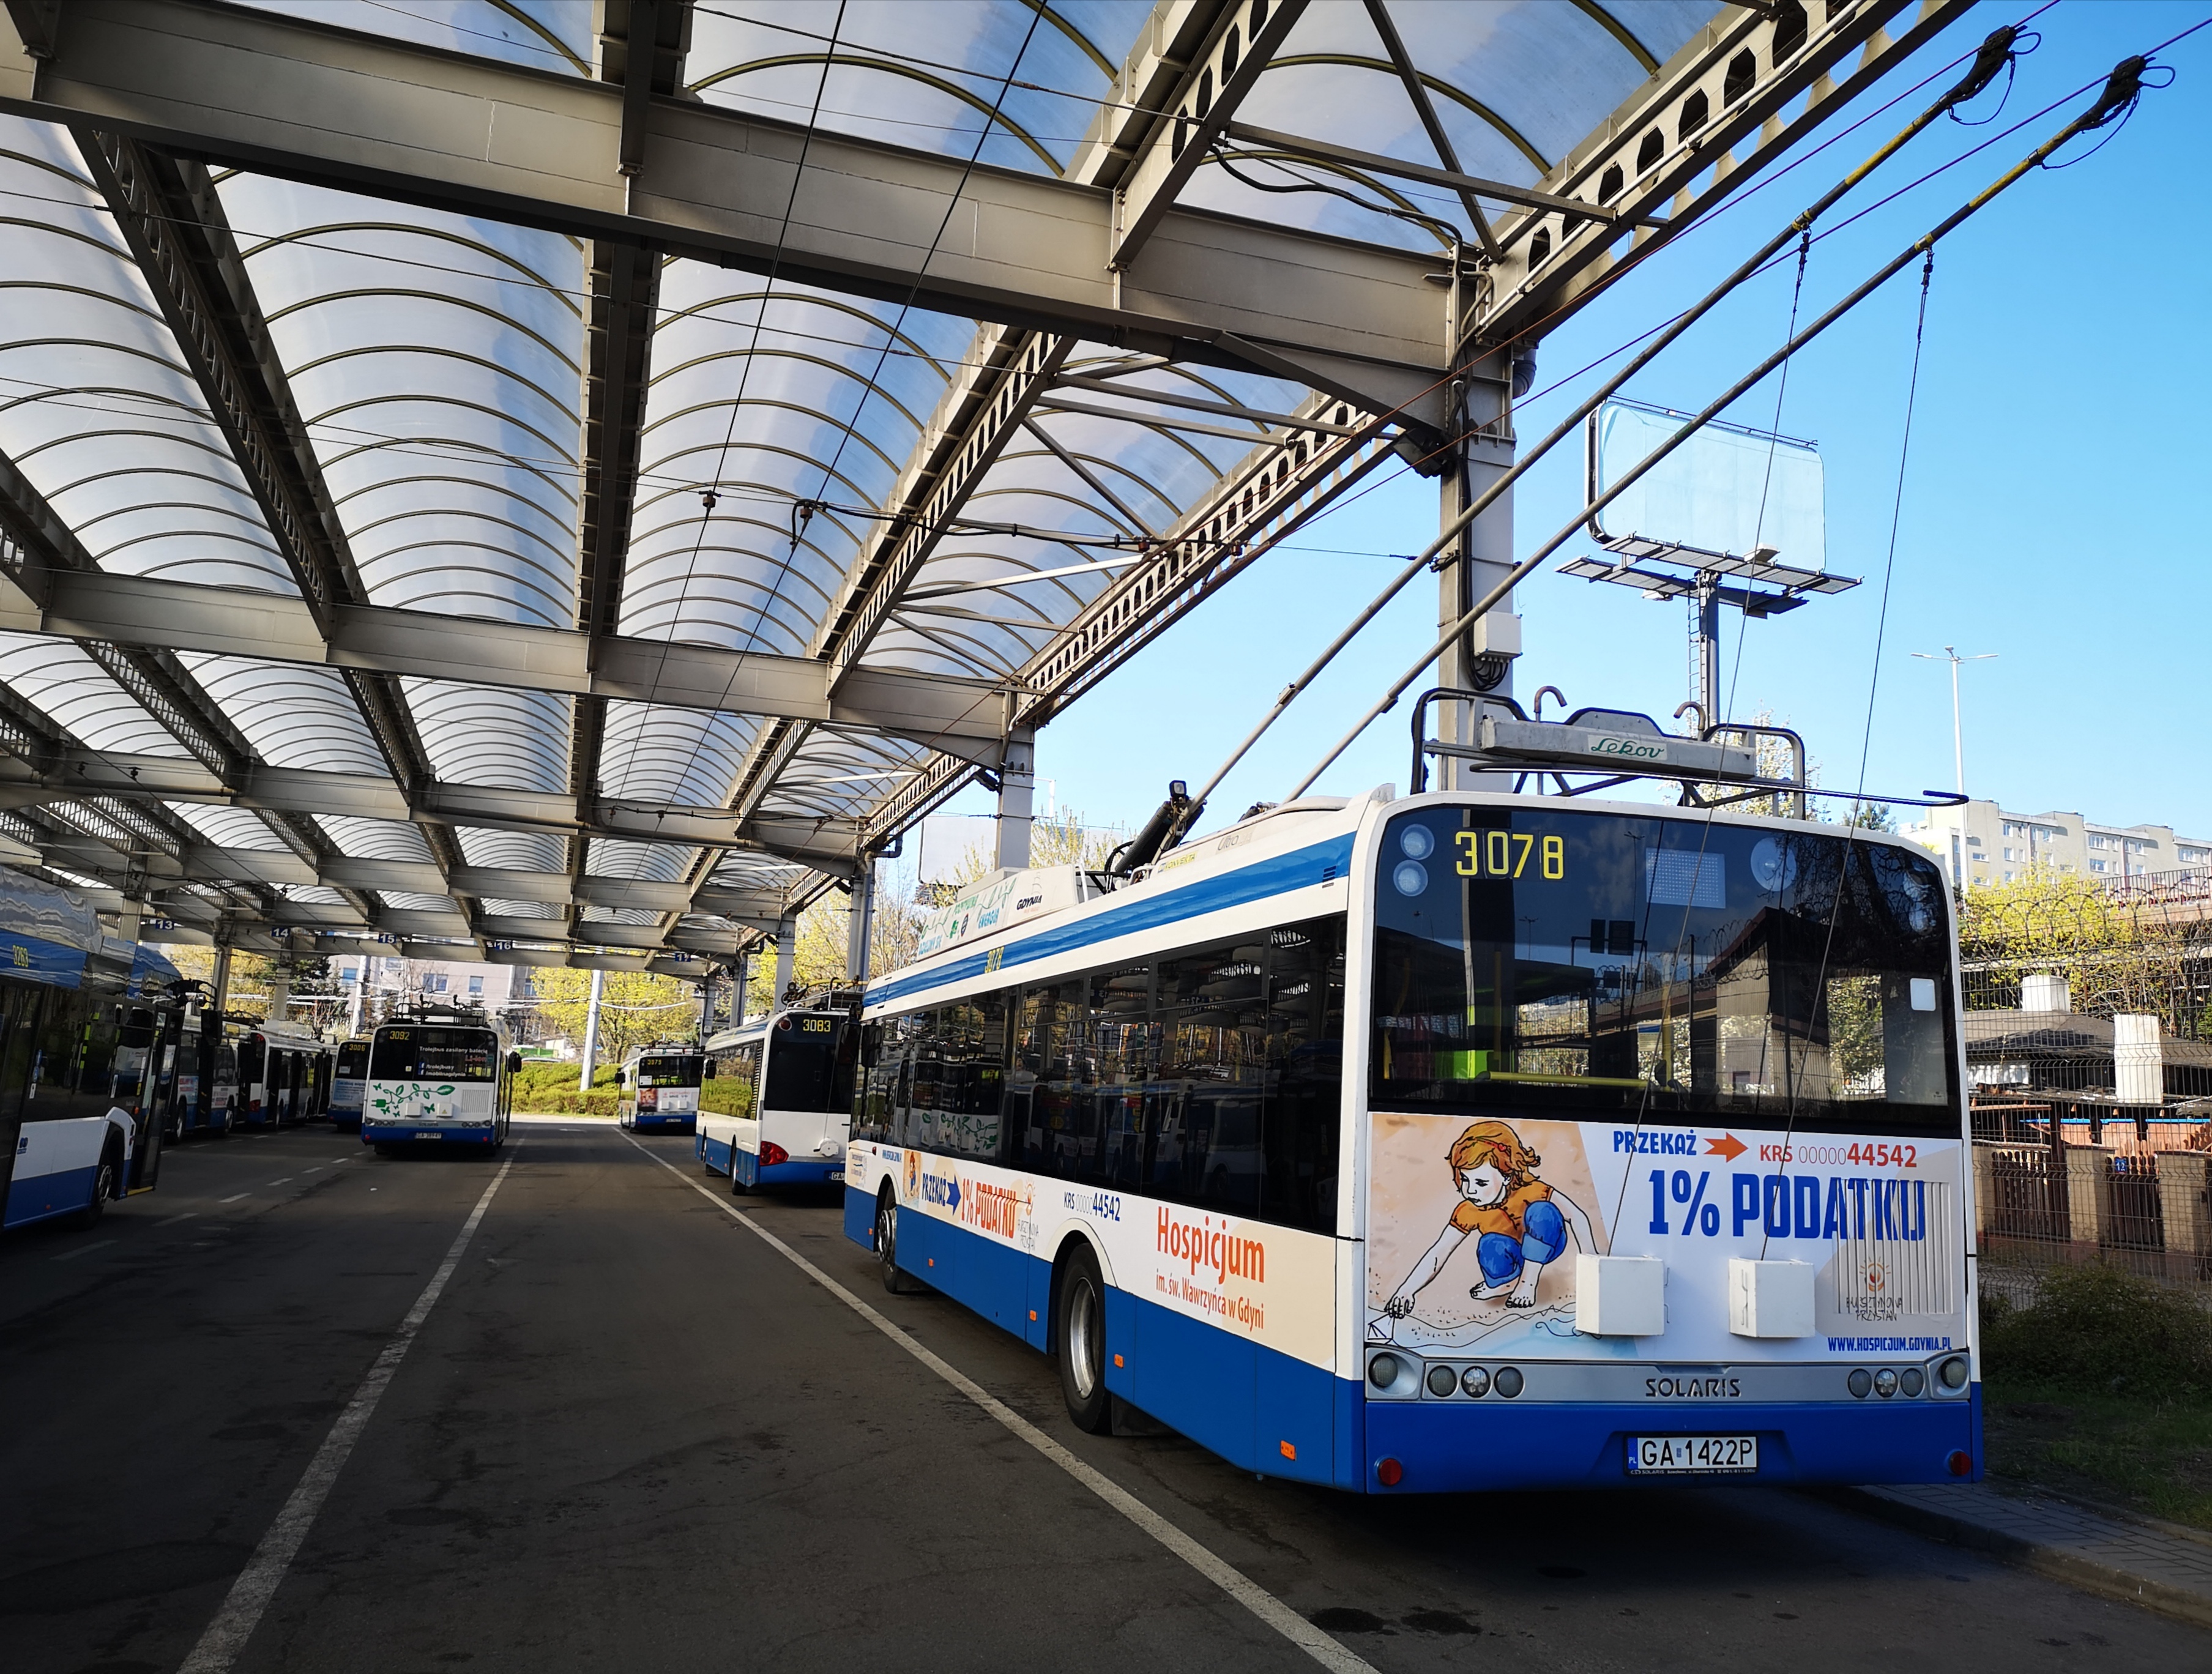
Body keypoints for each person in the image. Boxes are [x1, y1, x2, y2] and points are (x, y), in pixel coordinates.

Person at [1384, 1119, 1596, 1315]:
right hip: (1512, 1254)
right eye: (1465, 1180)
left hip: (1547, 1244)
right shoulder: (1468, 1210)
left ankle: (1527, 1283)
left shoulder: (1532, 1190)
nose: (1470, 1191)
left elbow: (1576, 1216)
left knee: (1542, 1212)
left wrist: (1593, 1265)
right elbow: (1439, 1251)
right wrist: (1407, 1290)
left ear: (1507, 1175)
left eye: (1481, 1183)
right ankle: (1504, 1283)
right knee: (1490, 1243)